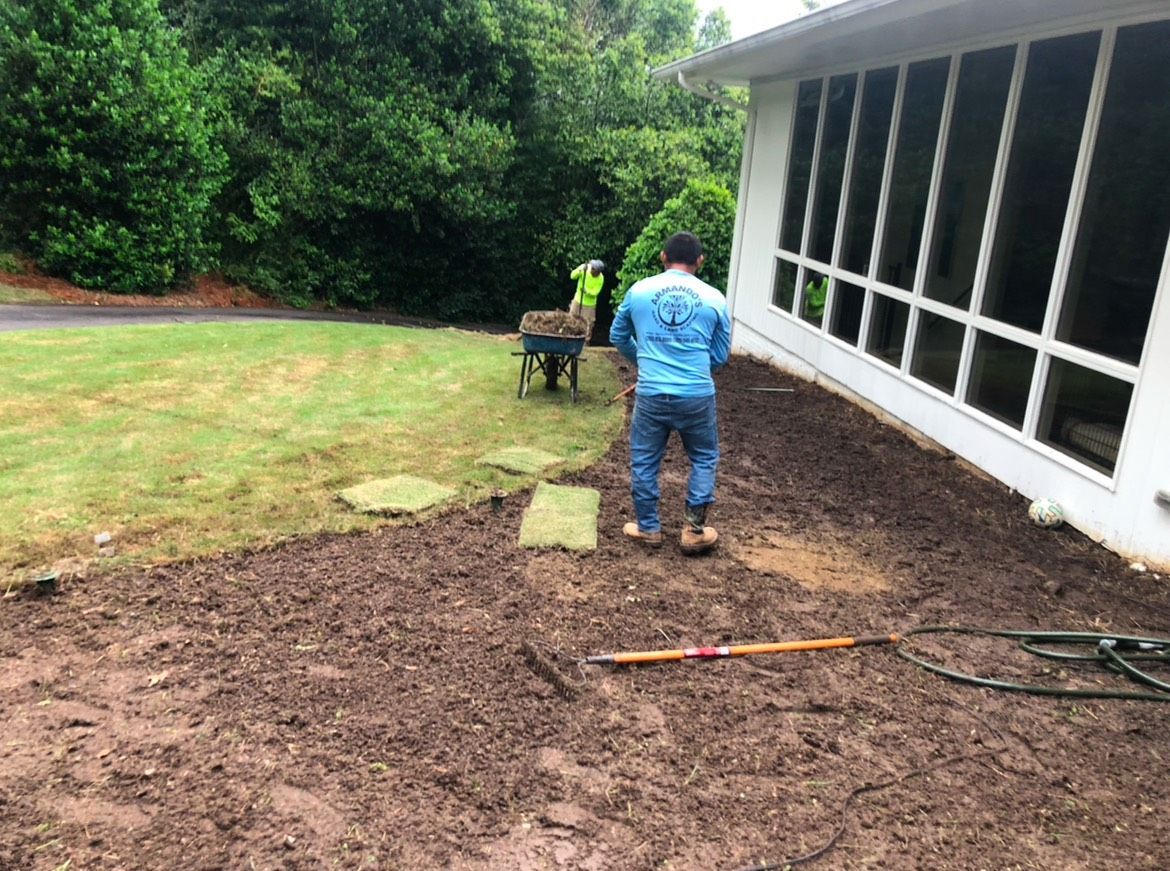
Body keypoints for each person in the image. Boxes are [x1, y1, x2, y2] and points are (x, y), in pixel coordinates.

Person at [609, 231, 731, 554]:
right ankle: (693, 530)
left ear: (663, 257)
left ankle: (649, 528)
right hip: (697, 395)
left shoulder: (639, 292)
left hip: (651, 394)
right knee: (704, 457)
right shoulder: (715, 299)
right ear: (700, 262)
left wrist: (646, 360)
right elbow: (719, 356)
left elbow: (617, 334)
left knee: (644, 459)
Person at [569, 259, 605, 341]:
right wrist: (580, 270)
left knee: (588, 323)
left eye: (594, 270)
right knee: (572, 318)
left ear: (598, 272)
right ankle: (570, 337)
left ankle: (585, 341)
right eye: (592, 268)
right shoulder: (584, 268)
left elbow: (595, 292)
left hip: (590, 304)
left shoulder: (600, 278)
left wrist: (587, 291)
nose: (592, 270)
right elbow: (572, 276)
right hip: (578, 299)